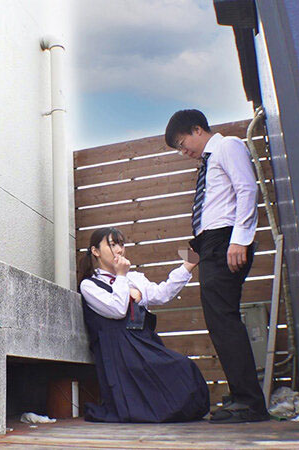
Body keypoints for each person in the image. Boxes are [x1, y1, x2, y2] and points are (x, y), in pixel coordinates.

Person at [164, 109, 269, 423]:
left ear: (197, 129)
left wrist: (240, 239)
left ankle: (250, 402)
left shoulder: (227, 146)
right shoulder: (208, 162)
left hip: (226, 241)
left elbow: (247, 189)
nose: (183, 151)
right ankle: (241, 395)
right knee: (219, 321)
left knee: (223, 320)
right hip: (212, 244)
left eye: (182, 143)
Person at [77, 226, 209, 423]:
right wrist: (122, 278)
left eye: (121, 245)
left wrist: (188, 265)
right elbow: (117, 309)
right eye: (112, 245)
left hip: (142, 341)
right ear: (95, 251)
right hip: (117, 351)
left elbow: (161, 294)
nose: (119, 250)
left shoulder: (134, 277)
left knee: (183, 368)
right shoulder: (89, 285)